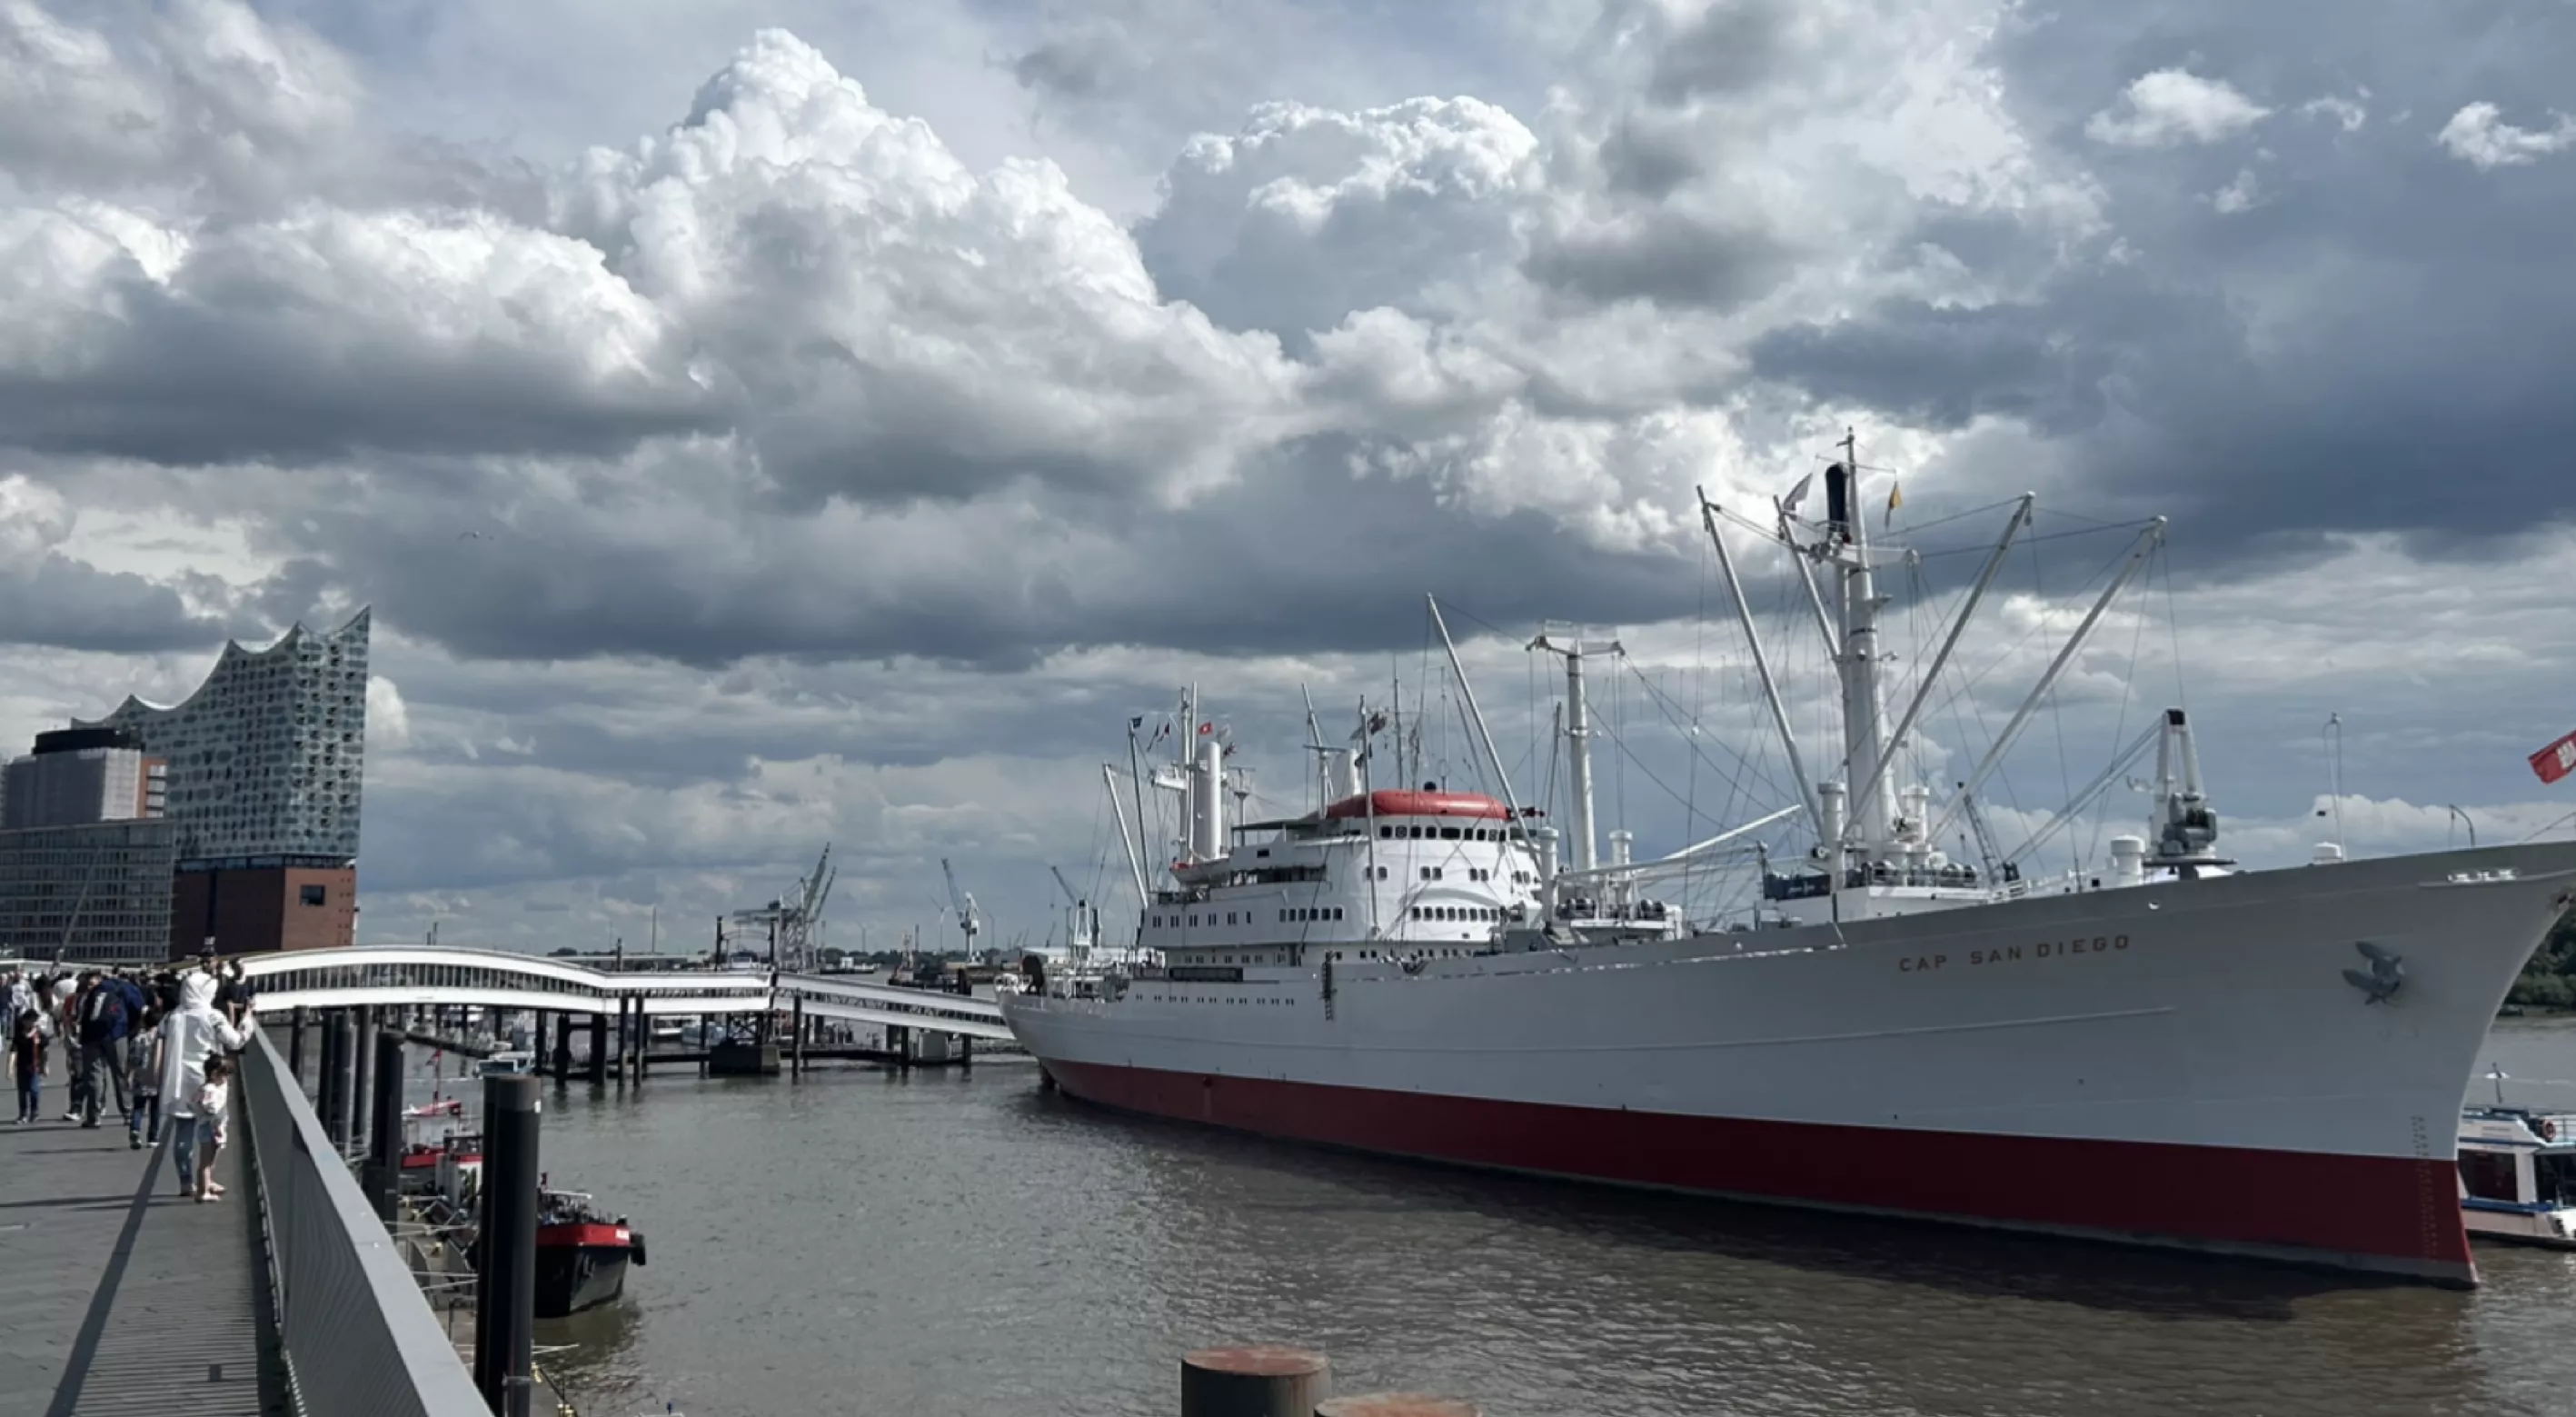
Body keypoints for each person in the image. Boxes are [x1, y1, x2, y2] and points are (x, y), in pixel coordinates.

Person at [162, 972, 249, 1201]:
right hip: (208, 1080)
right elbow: (236, 1041)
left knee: (183, 1131)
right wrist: (247, 1020)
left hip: (179, 1079)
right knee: (212, 1131)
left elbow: (160, 1035)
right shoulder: (213, 1016)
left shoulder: (173, 1016)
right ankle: (206, 1177)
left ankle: (186, 1181)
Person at [75, 969, 144, 1128]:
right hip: (117, 1033)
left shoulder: (93, 992)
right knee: (121, 1073)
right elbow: (138, 1006)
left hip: (91, 1035)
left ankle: (94, 1116)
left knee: (94, 1074)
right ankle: (127, 1113)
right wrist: (130, 1027)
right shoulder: (123, 987)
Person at [192, 1054, 234, 1202]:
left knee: (210, 1161)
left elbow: (193, 1102)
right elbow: (211, 1108)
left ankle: (207, 1184)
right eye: (224, 1074)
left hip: (211, 1128)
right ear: (215, 1074)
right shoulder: (210, 1090)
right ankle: (203, 1192)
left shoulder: (210, 1087)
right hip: (211, 1128)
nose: (226, 1078)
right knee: (206, 1163)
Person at [125, 997, 164, 1150]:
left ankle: (135, 1129)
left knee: (138, 1106)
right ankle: (152, 1137)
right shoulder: (161, 1039)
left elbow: (131, 1059)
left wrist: (128, 1074)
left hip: (140, 1076)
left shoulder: (138, 1039)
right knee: (155, 1109)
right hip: (156, 1077)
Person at [11, 1009, 45, 1123]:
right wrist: (10, 1068)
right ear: (24, 1021)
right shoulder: (19, 1036)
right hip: (21, 1067)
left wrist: (45, 1065)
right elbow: (13, 1051)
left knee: (34, 1089)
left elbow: (45, 1050)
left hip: (34, 1066)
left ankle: (34, 1111)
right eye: (29, 1020)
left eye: (34, 1020)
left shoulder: (39, 1035)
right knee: (22, 1091)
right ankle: (23, 1113)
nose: (32, 1023)